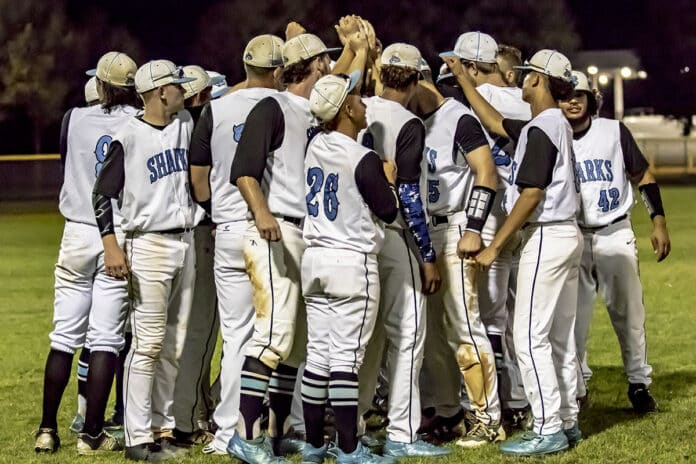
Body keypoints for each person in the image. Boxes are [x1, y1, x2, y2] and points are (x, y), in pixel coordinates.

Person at [227, 30, 364, 464]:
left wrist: (355, 52)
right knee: (273, 337)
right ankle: (245, 436)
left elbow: (344, 81)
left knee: (297, 344)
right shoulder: (273, 105)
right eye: (325, 62)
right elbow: (243, 169)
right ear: (317, 66)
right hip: (274, 229)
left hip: (305, 234)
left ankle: (278, 429)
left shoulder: (315, 109)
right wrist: (262, 213)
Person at [444, 49, 583, 456]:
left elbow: (532, 194)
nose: (519, 80)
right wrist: (464, 79)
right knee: (556, 338)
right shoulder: (551, 124)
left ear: (537, 80)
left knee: (527, 337)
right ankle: (567, 422)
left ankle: (547, 427)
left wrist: (495, 246)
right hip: (567, 235)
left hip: (548, 236)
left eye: (526, 76)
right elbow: (493, 121)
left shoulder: (542, 129)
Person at [34, 51, 139, 455]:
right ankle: (92, 434)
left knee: (63, 338)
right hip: (116, 233)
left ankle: (47, 429)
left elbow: (68, 164)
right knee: (105, 340)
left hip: (76, 231)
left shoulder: (72, 119)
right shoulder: (138, 124)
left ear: (100, 85)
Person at [92, 59, 197, 462]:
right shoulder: (128, 135)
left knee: (174, 343)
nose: (182, 91)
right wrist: (110, 243)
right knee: (148, 343)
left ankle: (162, 427)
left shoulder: (184, 124)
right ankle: (137, 437)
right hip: (147, 244)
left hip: (184, 241)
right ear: (160, 92)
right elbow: (102, 193)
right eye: (177, 86)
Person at [189, 33, 285, 456]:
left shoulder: (216, 107)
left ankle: (228, 427)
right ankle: (279, 424)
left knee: (236, 336)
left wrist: (217, 210)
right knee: (277, 337)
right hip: (271, 229)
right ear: (279, 69)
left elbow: (198, 176)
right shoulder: (288, 106)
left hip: (228, 230)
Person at [300, 71, 399, 464]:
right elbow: (388, 211)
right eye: (355, 98)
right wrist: (388, 180)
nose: (362, 103)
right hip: (351, 262)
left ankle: (312, 445)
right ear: (344, 109)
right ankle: (347, 448)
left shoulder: (314, 145)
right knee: (345, 361)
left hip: (316, 260)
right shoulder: (363, 157)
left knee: (318, 357)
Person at [559, 71, 670, 413]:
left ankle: (638, 383)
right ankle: (577, 386)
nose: (573, 100)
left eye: (579, 94)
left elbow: (643, 175)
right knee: (571, 319)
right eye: (565, 94)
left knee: (628, 314)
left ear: (591, 99)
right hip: (572, 235)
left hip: (614, 231)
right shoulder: (551, 133)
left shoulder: (612, 130)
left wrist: (658, 221)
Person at [358, 43, 449, 459]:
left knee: (366, 340)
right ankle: (402, 432)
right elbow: (409, 195)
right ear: (415, 80)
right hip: (393, 236)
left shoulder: (354, 108)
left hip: (355, 236)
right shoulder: (409, 121)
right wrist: (427, 254)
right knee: (408, 334)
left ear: (380, 76)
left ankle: (353, 426)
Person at [442, 31, 532, 429]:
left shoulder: (469, 101)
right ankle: (522, 399)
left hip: (493, 220)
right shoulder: (527, 101)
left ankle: (494, 405)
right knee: (523, 320)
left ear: (472, 67)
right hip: (530, 221)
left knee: (487, 320)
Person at [410, 66, 503, 447]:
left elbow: (487, 172)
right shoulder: (408, 119)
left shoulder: (458, 116)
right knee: (431, 334)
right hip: (424, 230)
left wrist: (474, 227)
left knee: (465, 325)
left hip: (455, 227)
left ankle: (487, 417)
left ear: (419, 80)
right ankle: (448, 412)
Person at [168, 63, 220, 447]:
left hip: (165, 237)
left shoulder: (164, 123)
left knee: (171, 335)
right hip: (201, 232)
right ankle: (187, 419)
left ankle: (178, 411)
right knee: (200, 331)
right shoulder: (200, 123)